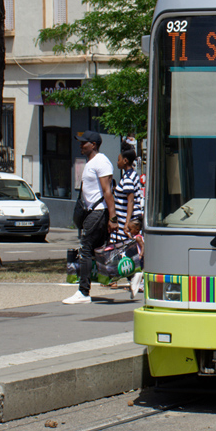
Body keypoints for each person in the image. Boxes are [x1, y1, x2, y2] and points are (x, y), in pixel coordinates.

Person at [64, 131, 115, 305]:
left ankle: (83, 292)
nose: (80, 145)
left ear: (93, 144)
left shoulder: (101, 162)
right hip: (91, 212)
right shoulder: (91, 163)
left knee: (86, 248)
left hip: (98, 212)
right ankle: (131, 275)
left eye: (84, 142)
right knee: (97, 249)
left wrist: (113, 218)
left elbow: (108, 191)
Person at [112, 146, 144, 296]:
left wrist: (126, 223)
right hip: (131, 218)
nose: (117, 162)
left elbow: (130, 202)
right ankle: (135, 276)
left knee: (124, 247)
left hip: (128, 219)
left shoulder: (128, 179)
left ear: (125, 161)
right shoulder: (132, 176)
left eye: (118, 160)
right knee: (129, 247)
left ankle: (135, 275)